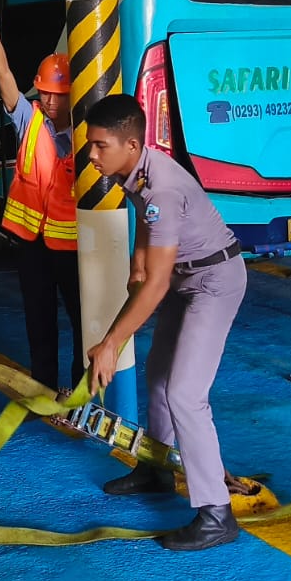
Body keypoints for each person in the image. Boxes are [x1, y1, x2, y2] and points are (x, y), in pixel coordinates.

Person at [83, 94, 247, 552]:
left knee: (186, 394)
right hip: (184, 276)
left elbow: (154, 287)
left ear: (131, 145)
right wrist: (138, 258)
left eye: (100, 145)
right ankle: (155, 470)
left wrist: (112, 343)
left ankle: (217, 514)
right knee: (158, 375)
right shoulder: (136, 173)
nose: (91, 155)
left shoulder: (164, 189)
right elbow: (145, 219)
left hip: (214, 280)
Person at [0, 0, 82, 392]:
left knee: (83, 320)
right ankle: (43, 387)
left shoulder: (88, 135)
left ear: (73, 94)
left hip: (72, 248)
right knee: (38, 317)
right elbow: (3, 75)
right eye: (43, 92)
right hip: (32, 243)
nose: (47, 100)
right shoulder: (29, 120)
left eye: (56, 94)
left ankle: (80, 394)